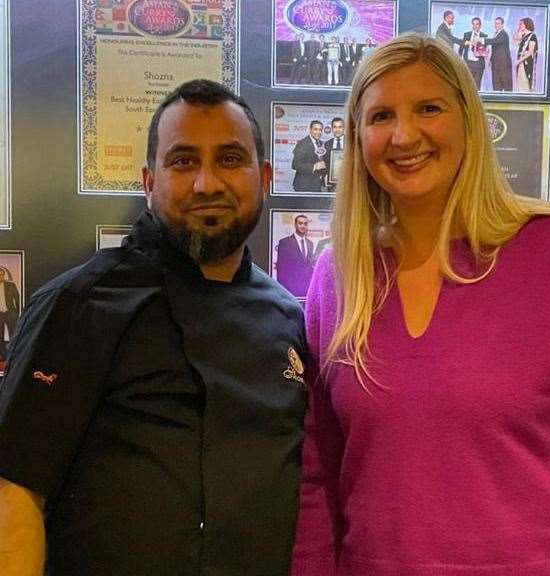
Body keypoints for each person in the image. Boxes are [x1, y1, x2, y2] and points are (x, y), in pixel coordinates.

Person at [291, 33, 550, 575]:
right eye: (381, 115)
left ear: (469, 120)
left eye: (429, 108)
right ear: (357, 138)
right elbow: (317, 478)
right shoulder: (337, 278)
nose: (404, 134)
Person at [0, 79, 307, 576]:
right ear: (148, 183)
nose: (207, 183)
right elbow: (14, 492)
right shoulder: (80, 304)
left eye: (230, 159)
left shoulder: (286, 318)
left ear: (265, 176)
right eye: (183, 161)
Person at [276, 214, 315, 298]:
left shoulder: (310, 243)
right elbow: (281, 268)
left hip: (307, 291)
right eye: (300, 223)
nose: (303, 226)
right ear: (295, 225)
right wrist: (282, 292)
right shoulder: (285, 242)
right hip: (290, 290)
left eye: (305, 224)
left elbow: (309, 266)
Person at [291, 120, 327, 192]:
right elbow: (295, 164)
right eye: (315, 129)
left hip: (317, 185)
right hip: (304, 186)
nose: (318, 132)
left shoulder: (321, 143)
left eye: (320, 130)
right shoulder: (302, 143)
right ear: (310, 130)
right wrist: (314, 166)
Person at [484, 16, 513, 91]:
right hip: (496, 64)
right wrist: (490, 59)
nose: (496, 25)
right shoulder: (496, 34)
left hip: (503, 65)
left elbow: (495, 41)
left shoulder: (503, 34)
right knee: (496, 86)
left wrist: (481, 40)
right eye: (495, 23)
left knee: (506, 85)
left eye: (498, 23)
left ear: (502, 25)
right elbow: (495, 48)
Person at [459, 17, 488, 89]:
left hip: (478, 64)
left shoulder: (484, 36)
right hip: (468, 63)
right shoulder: (467, 34)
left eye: (477, 24)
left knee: (477, 87)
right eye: (473, 24)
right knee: (467, 86)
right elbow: (461, 48)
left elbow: (485, 50)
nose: (475, 26)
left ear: (480, 25)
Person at [0, 267, 20, 359]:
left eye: (1, 274)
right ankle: (3, 355)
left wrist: (17, 312)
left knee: (13, 334)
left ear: (4, 275)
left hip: (10, 313)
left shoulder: (10, 285)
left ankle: (13, 355)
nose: (0, 276)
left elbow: (17, 298)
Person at [514, 17, 538, 91]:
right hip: (521, 63)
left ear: (526, 25)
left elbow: (530, 52)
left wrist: (519, 61)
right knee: (520, 84)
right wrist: (518, 30)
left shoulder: (532, 36)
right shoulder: (524, 36)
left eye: (521, 24)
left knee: (525, 84)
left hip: (526, 63)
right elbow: (515, 38)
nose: (519, 25)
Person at [324, 116, 345, 190]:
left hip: (347, 182)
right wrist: (325, 175)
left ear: (344, 128)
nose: (337, 130)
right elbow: (325, 162)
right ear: (332, 129)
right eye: (335, 127)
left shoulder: (351, 143)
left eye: (340, 127)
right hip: (331, 184)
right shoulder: (327, 144)